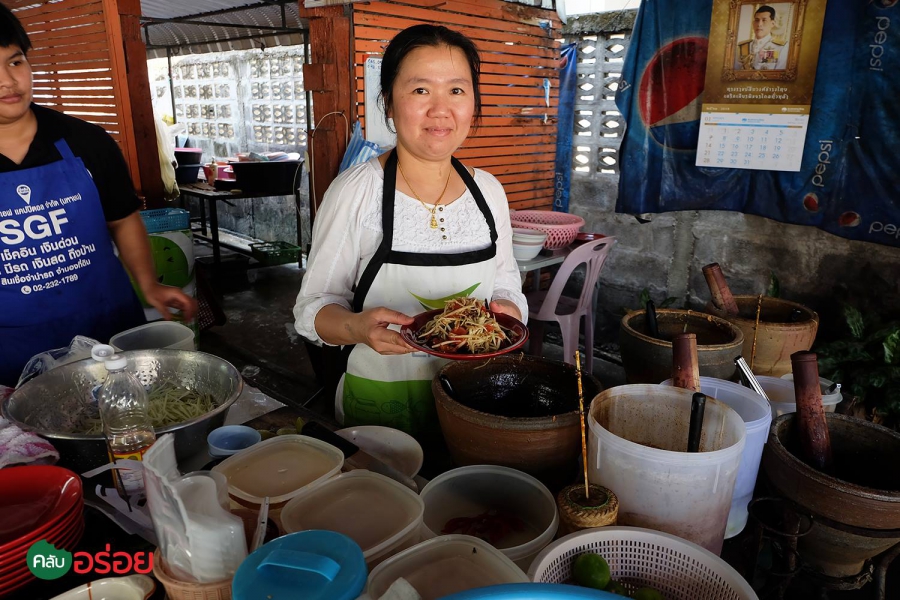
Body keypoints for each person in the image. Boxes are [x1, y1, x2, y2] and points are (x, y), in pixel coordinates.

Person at [294, 24, 527, 439]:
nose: (440, 110)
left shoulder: (489, 192)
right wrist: (357, 328)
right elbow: (312, 309)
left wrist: (508, 312)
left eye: (456, 90)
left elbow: (506, 282)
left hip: (474, 395)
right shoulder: (356, 191)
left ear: (474, 102)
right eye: (421, 90)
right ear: (388, 101)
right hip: (382, 399)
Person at [0, 5, 196, 386]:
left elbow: (123, 219)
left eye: (16, 61)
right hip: (13, 350)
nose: (9, 81)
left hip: (106, 330)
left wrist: (149, 284)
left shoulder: (86, 142)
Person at [735, 5, 789, 71]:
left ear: (772, 23)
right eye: (757, 20)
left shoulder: (780, 47)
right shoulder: (742, 46)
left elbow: (781, 74)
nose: (759, 24)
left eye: (764, 20)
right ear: (753, 23)